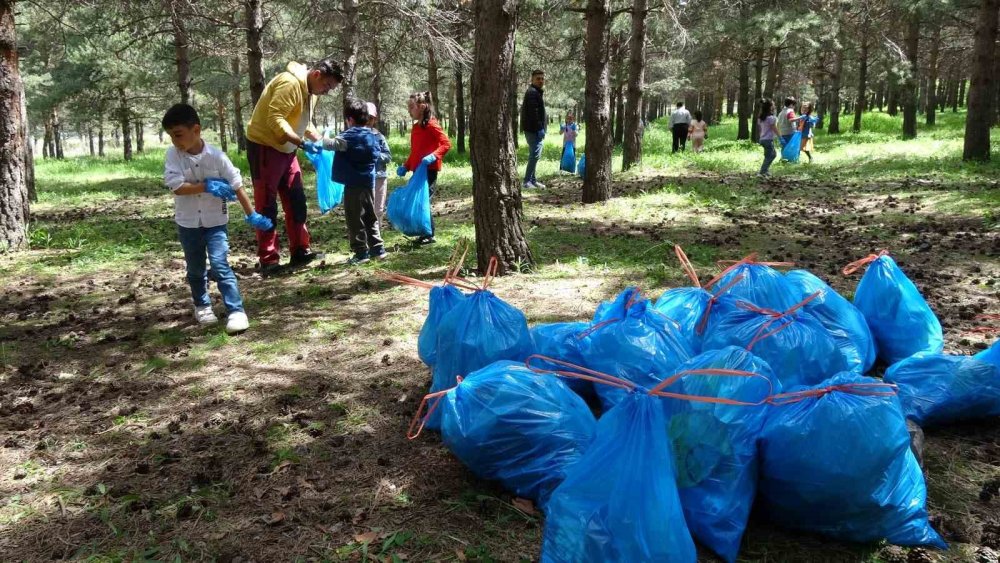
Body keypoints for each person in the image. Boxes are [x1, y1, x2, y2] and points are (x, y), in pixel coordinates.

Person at [161, 103, 273, 334]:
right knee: (195, 268)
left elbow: (237, 184)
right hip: (188, 223)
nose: (175, 141)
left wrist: (251, 214)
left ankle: (236, 310)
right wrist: (207, 186)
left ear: (196, 130)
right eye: (171, 136)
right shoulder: (173, 155)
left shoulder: (217, 157)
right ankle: (202, 305)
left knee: (221, 265)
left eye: (179, 134)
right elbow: (177, 187)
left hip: (215, 223)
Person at [245, 59, 343, 275]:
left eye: (331, 88)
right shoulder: (289, 83)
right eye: (327, 85)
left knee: (296, 199)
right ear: (316, 74)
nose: (327, 91)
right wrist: (301, 142)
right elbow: (275, 119)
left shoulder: (311, 92)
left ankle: (300, 249)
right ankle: (268, 258)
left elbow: (303, 121)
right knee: (267, 204)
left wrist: (318, 140)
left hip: (288, 150)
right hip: (265, 146)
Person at [320, 99, 387, 265]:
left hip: (353, 185)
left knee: (354, 218)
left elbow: (329, 145)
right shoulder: (373, 136)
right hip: (368, 183)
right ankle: (378, 249)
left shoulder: (348, 137)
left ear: (349, 119)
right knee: (370, 216)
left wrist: (324, 135)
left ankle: (361, 252)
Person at [397, 91, 452, 245]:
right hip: (417, 171)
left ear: (422, 107)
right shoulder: (416, 128)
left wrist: (434, 156)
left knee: (423, 201)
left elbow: (446, 144)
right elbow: (415, 151)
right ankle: (423, 232)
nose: (409, 110)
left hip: (429, 170)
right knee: (417, 200)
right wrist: (406, 166)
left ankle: (429, 234)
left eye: (411, 107)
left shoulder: (431, 124)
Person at [520, 69, 547, 189]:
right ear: (532, 79)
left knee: (535, 154)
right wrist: (540, 128)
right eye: (538, 78)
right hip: (533, 130)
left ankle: (533, 180)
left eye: (542, 78)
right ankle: (526, 181)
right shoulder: (532, 93)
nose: (541, 81)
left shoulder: (536, 92)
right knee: (534, 155)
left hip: (534, 129)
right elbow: (533, 113)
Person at [366, 102, 392, 223]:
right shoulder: (356, 136)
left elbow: (388, 156)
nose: (367, 121)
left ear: (375, 119)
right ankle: (365, 236)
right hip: (363, 179)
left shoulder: (379, 137)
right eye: (365, 117)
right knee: (365, 209)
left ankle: (377, 235)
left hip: (379, 177)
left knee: (378, 208)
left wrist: (376, 155)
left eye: (370, 118)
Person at [757, 99, 781, 178]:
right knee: (770, 155)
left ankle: (765, 170)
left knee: (771, 155)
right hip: (768, 140)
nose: (774, 106)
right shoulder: (771, 118)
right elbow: (774, 128)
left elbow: (760, 129)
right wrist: (780, 137)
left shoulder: (761, 118)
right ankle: (762, 172)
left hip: (763, 139)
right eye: (773, 105)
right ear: (770, 107)